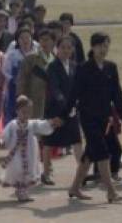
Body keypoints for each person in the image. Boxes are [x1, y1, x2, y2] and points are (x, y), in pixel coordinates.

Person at [66, 32, 122, 203]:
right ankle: (111, 192)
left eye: (107, 45)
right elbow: (74, 93)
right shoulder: (83, 68)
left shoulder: (111, 67)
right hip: (88, 117)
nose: (104, 49)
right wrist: (64, 114)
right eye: (101, 45)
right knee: (102, 153)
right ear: (93, 47)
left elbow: (117, 93)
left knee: (89, 155)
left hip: (105, 118)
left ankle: (74, 188)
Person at [1, 95, 61, 202]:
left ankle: (22, 192)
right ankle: (21, 192)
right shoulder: (13, 124)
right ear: (17, 111)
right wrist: (3, 141)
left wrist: (51, 123)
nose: (26, 114)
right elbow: (6, 135)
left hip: (29, 154)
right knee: (19, 171)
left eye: (28, 112)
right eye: (23, 112)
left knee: (28, 171)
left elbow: (42, 126)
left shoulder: (32, 124)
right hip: (16, 155)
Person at [41, 36, 82, 185]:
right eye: (63, 47)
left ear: (72, 50)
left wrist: (76, 104)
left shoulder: (75, 66)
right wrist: (66, 106)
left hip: (72, 111)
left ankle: (81, 173)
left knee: (77, 141)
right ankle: (46, 173)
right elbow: (55, 89)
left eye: (69, 48)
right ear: (57, 49)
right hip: (55, 110)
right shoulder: (52, 67)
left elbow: (78, 87)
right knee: (50, 142)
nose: (66, 50)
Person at [17, 28, 55, 119]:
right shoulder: (31, 58)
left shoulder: (55, 59)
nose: (44, 42)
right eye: (42, 40)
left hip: (51, 101)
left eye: (47, 40)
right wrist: (21, 98)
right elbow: (22, 79)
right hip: (34, 100)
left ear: (53, 42)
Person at [3, 26, 37, 125]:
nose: (25, 40)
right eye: (22, 38)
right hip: (15, 88)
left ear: (31, 39)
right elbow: (6, 71)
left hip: (32, 89)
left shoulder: (36, 54)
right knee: (14, 111)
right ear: (18, 40)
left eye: (27, 37)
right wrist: (14, 80)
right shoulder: (12, 55)